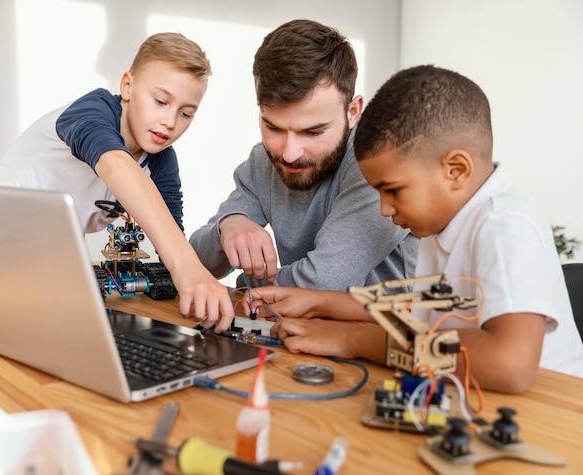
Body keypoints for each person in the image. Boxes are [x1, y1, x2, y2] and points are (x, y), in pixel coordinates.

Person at [247, 65, 583, 394]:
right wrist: (318, 302)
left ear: (455, 170)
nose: (384, 209)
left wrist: (352, 339)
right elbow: (427, 310)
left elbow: (509, 364)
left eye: (392, 191)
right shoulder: (449, 219)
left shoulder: (503, 224)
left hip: (549, 421)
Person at [0, 32, 234, 332]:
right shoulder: (91, 112)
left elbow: (169, 237)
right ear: (127, 85)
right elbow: (115, 165)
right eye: (161, 101)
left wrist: (195, 278)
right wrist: (186, 267)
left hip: (28, 269)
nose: (170, 122)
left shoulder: (160, 159)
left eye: (186, 113)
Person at [189, 19, 418, 291]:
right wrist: (227, 227)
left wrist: (245, 285)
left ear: (353, 112)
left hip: (386, 330)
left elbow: (325, 282)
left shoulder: (377, 167)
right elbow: (195, 261)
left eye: (313, 132)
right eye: (273, 127)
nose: (289, 154)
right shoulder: (263, 160)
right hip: (296, 325)